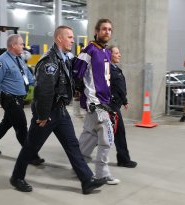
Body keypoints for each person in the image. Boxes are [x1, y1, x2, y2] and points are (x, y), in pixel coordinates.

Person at [10, 26, 106, 195]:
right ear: (59, 39)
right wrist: (43, 115)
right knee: (31, 147)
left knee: (72, 145)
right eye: (69, 37)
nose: (72, 40)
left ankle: (87, 180)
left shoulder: (64, 58)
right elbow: (44, 91)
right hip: (48, 112)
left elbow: (69, 78)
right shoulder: (50, 62)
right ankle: (17, 177)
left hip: (60, 111)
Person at [0, 34, 44, 165]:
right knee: (21, 127)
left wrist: (41, 85)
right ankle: (31, 155)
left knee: (6, 123)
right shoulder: (1, 61)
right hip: (10, 99)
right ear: (13, 45)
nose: (23, 46)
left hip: (19, 99)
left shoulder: (19, 59)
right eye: (21, 44)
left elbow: (28, 77)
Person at [73, 19, 120, 185]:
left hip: (104, 102)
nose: (107, 32)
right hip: (95, 103)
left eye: (110, 29)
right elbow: (77, 72)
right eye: (104, 29)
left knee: (89, 137)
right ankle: (102, 174)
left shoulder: (106, 52)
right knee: (107, 139)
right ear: (97, 31)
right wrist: (82, 95)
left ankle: (78, 167)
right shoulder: (90, 49)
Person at [108, 45, 137, 168]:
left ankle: (83, 153)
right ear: (110, 55)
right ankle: (123, 159)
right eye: (116, 53)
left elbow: (120, 87)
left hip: (116, 104)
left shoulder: (116, 69)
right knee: (119, 132)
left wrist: (124, 101)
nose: (119, 55)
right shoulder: (108, 69)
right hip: (111, 105)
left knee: (100, 134)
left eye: (119, 52)